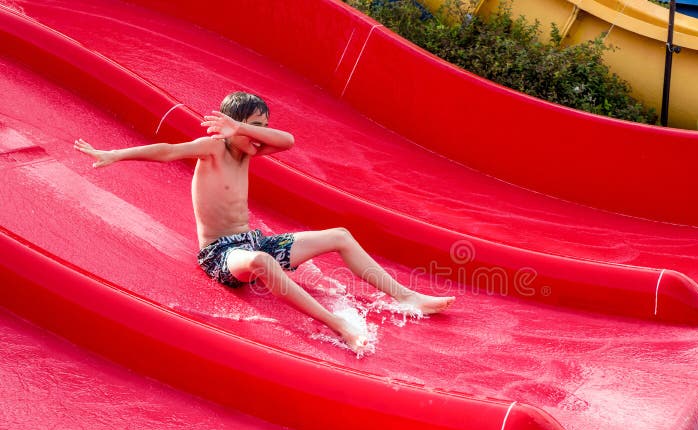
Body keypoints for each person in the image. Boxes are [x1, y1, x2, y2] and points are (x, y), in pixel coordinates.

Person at [74, 91, 454, 354]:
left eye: (260, 129)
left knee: (339, 235)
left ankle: (407, 297)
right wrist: (114, 154)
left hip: (252, 240)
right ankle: (338, 325)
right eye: (254, 127)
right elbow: (169, 151)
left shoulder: (247, 149)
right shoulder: (214, 149)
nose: (259, 138)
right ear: (232, 126)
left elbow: (286, 140)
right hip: (220, 255)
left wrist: (244, 131)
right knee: (261, 263)